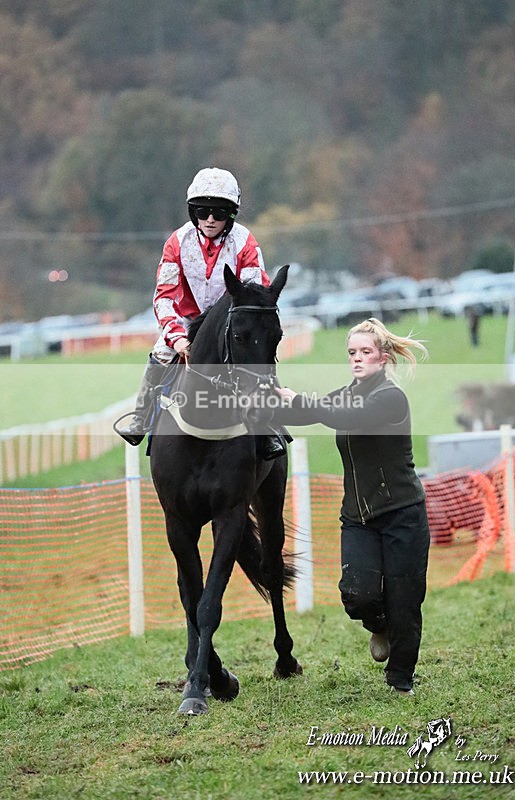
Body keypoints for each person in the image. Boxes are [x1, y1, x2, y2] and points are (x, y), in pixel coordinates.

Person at [275, 318, 430, 695]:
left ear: (383, 357)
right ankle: (379, 625)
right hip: (358, 518)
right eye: (352, 353)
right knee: (357, 595)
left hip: (403, 515)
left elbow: (345, 417)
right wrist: (267, 400)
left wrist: (299, 399)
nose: (357, 358)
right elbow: (308, 413)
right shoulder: (346, 394)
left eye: (365, 352)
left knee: (405, 603)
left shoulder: (390, 398)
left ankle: (400, 680)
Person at [116, 166, 285, 459]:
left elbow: (254, 291)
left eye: (219, 212)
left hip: (230, 321)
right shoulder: (176, 242)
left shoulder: (245, 241)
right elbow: (164, 297)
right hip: (185, 323)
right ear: (193, 212)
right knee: (160, 355)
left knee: (256, 357)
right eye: (202, 211)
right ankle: (141, 418)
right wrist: (178, 338)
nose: (210, 219)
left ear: (231, 214)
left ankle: (269, 428)